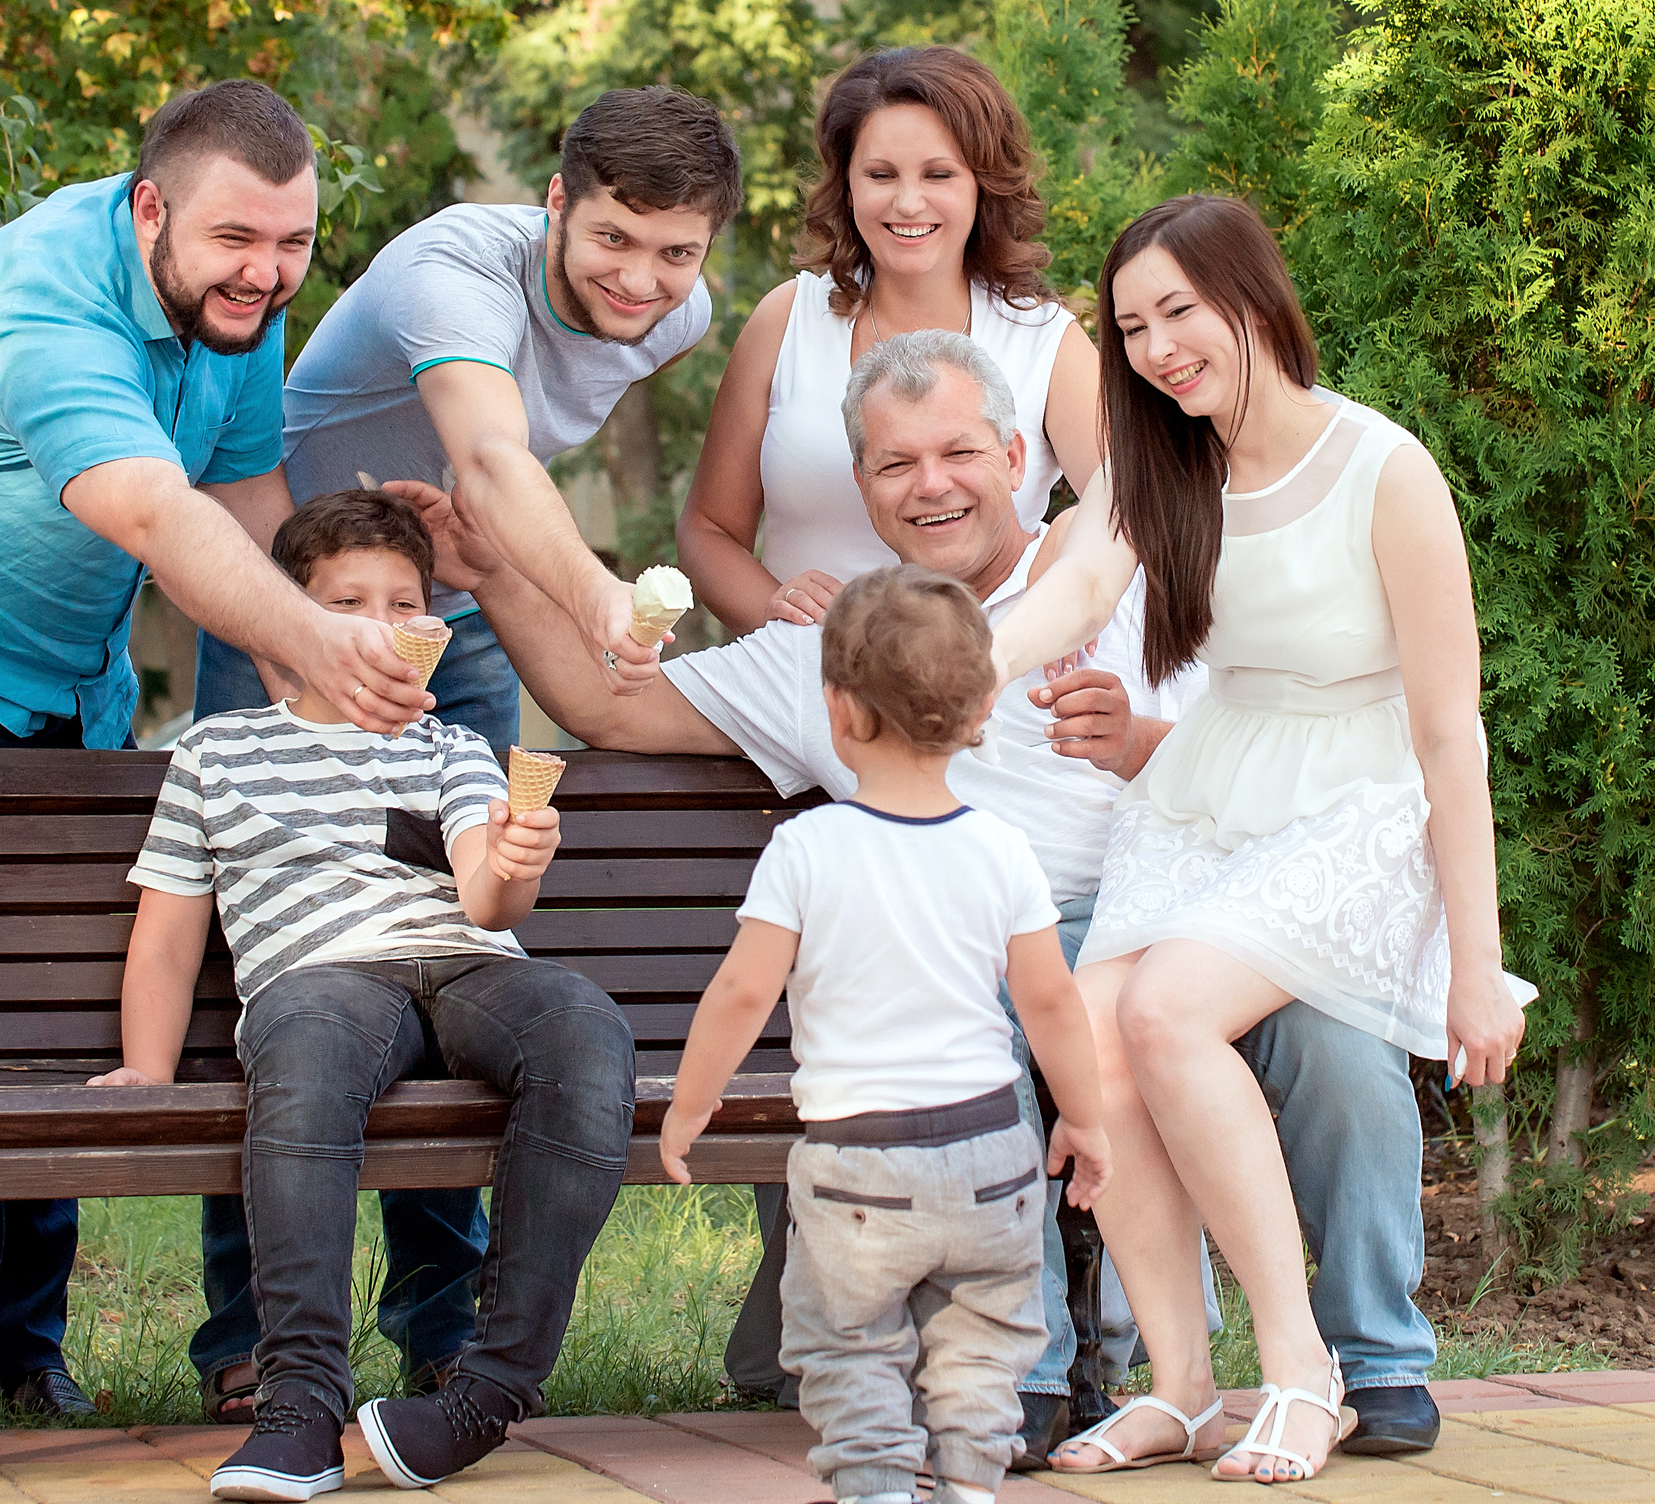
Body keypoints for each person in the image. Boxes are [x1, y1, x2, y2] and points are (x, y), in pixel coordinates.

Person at [399, 325, 1453, 1462]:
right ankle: (1021, 1374)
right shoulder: (845, 643)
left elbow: (1264, 738)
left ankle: (1375, 1358)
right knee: (968, 1005)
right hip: (1008, 943)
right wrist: (494, 573)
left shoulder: (1125, 566)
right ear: (862, 486)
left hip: (1201, 908)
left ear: (1016, 456)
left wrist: (1140, 745)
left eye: (957, 452)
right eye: (896, 463)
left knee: (1337, 1036)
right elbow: (608, 705)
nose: (931, 484)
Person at [0, 80, 431, 1432]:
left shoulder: (235, 301)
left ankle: (23, 1345)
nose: (267, 272)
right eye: (237, 240)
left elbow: (244, 503)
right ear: (148, 210)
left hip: (68, 669)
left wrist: (328, 669)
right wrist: (322, 647)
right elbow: (151, 513)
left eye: (294, 244)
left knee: (67, 982)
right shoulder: (46, 305)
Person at [181, 84, 741, 1422]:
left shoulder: (681, 317)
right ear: (554, 204)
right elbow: (489, 454)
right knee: (276, 959)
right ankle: (250, 1335)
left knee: (451, 944)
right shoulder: (453, 269)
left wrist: (495, 583)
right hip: (295, 601)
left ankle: (439, 1324)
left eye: (677, 252)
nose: (643, 279)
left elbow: (500, 485)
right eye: (613, 239)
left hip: (453, 617)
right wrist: (595, 596)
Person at [987, 194, 1531, 1484]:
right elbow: (1075, 585)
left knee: (1165, 1008)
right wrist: (961, 668)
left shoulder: (1383, 467)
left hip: (1357, 802)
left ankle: (1303, 1371)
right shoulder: (1162, 465)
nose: (1157, 348)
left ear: (1251, 297)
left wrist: (1475, 958)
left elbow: (1448, 732)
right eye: (1131, 328)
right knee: (1089, 1023)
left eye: (1178, 311)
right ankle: (1181, 1385)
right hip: (1213, 789)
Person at [89, 490, 635, 1499]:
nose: (382, 625)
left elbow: (486, 895)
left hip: (469, 963)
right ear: (287, 619)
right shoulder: (218, 752)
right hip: (322, 977)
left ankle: (486, 1394)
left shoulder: (449, 747)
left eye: (404, 602)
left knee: (586, 1030)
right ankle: (300, 1404)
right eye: (348, 603)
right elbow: (167, 933)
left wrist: (519, 857)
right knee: (302, 1050)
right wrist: (147, 1069)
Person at [661, 566, 1113, 1504]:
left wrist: (692, 1102)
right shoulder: (1002, 849)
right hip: (991, 1151)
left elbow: (743, 990)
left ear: (839, 710)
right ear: (981, 712)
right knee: (980, 1347)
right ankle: (971, 1481)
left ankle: (874, 1484)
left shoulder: (808, 848)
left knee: (849, 1344)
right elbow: (1051, 1002)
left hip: (858, 1162)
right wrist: (1084, 1117)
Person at [677, 45, 1099, 634]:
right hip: (805, 668)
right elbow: (708, 530)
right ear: (848, 187)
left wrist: (1062, 563)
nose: (908, 202)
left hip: (987, 676)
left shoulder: (1046, 343)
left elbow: (1128, 519)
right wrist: (778, 613)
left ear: (983, 185)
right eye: (881, 175)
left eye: (938, 174)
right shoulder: (787, 320)